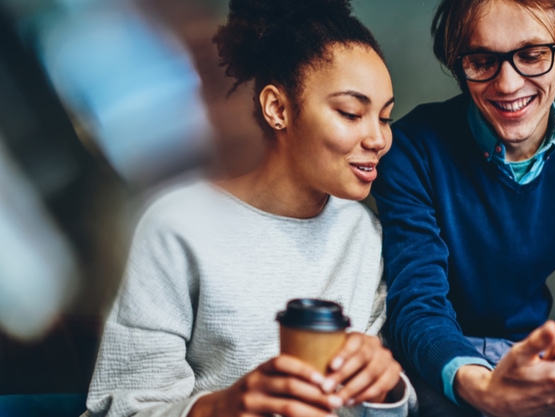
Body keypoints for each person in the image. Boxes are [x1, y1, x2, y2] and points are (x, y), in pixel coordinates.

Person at [82, 1, 417, 416]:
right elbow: (120, 408)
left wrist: (386, 389)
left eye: (384, 118)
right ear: (277, 108)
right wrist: (224, 407)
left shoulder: (364, 233)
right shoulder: (177, 226)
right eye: (351, 113)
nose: (378, 139)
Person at [371, 0, 555, 416]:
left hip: (533, 358)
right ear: (459, 61)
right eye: (483, 60)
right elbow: (416, 304)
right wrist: (485, 388)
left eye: (531, 55)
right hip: (434, 363)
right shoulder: (412, 151)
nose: (508, 84)